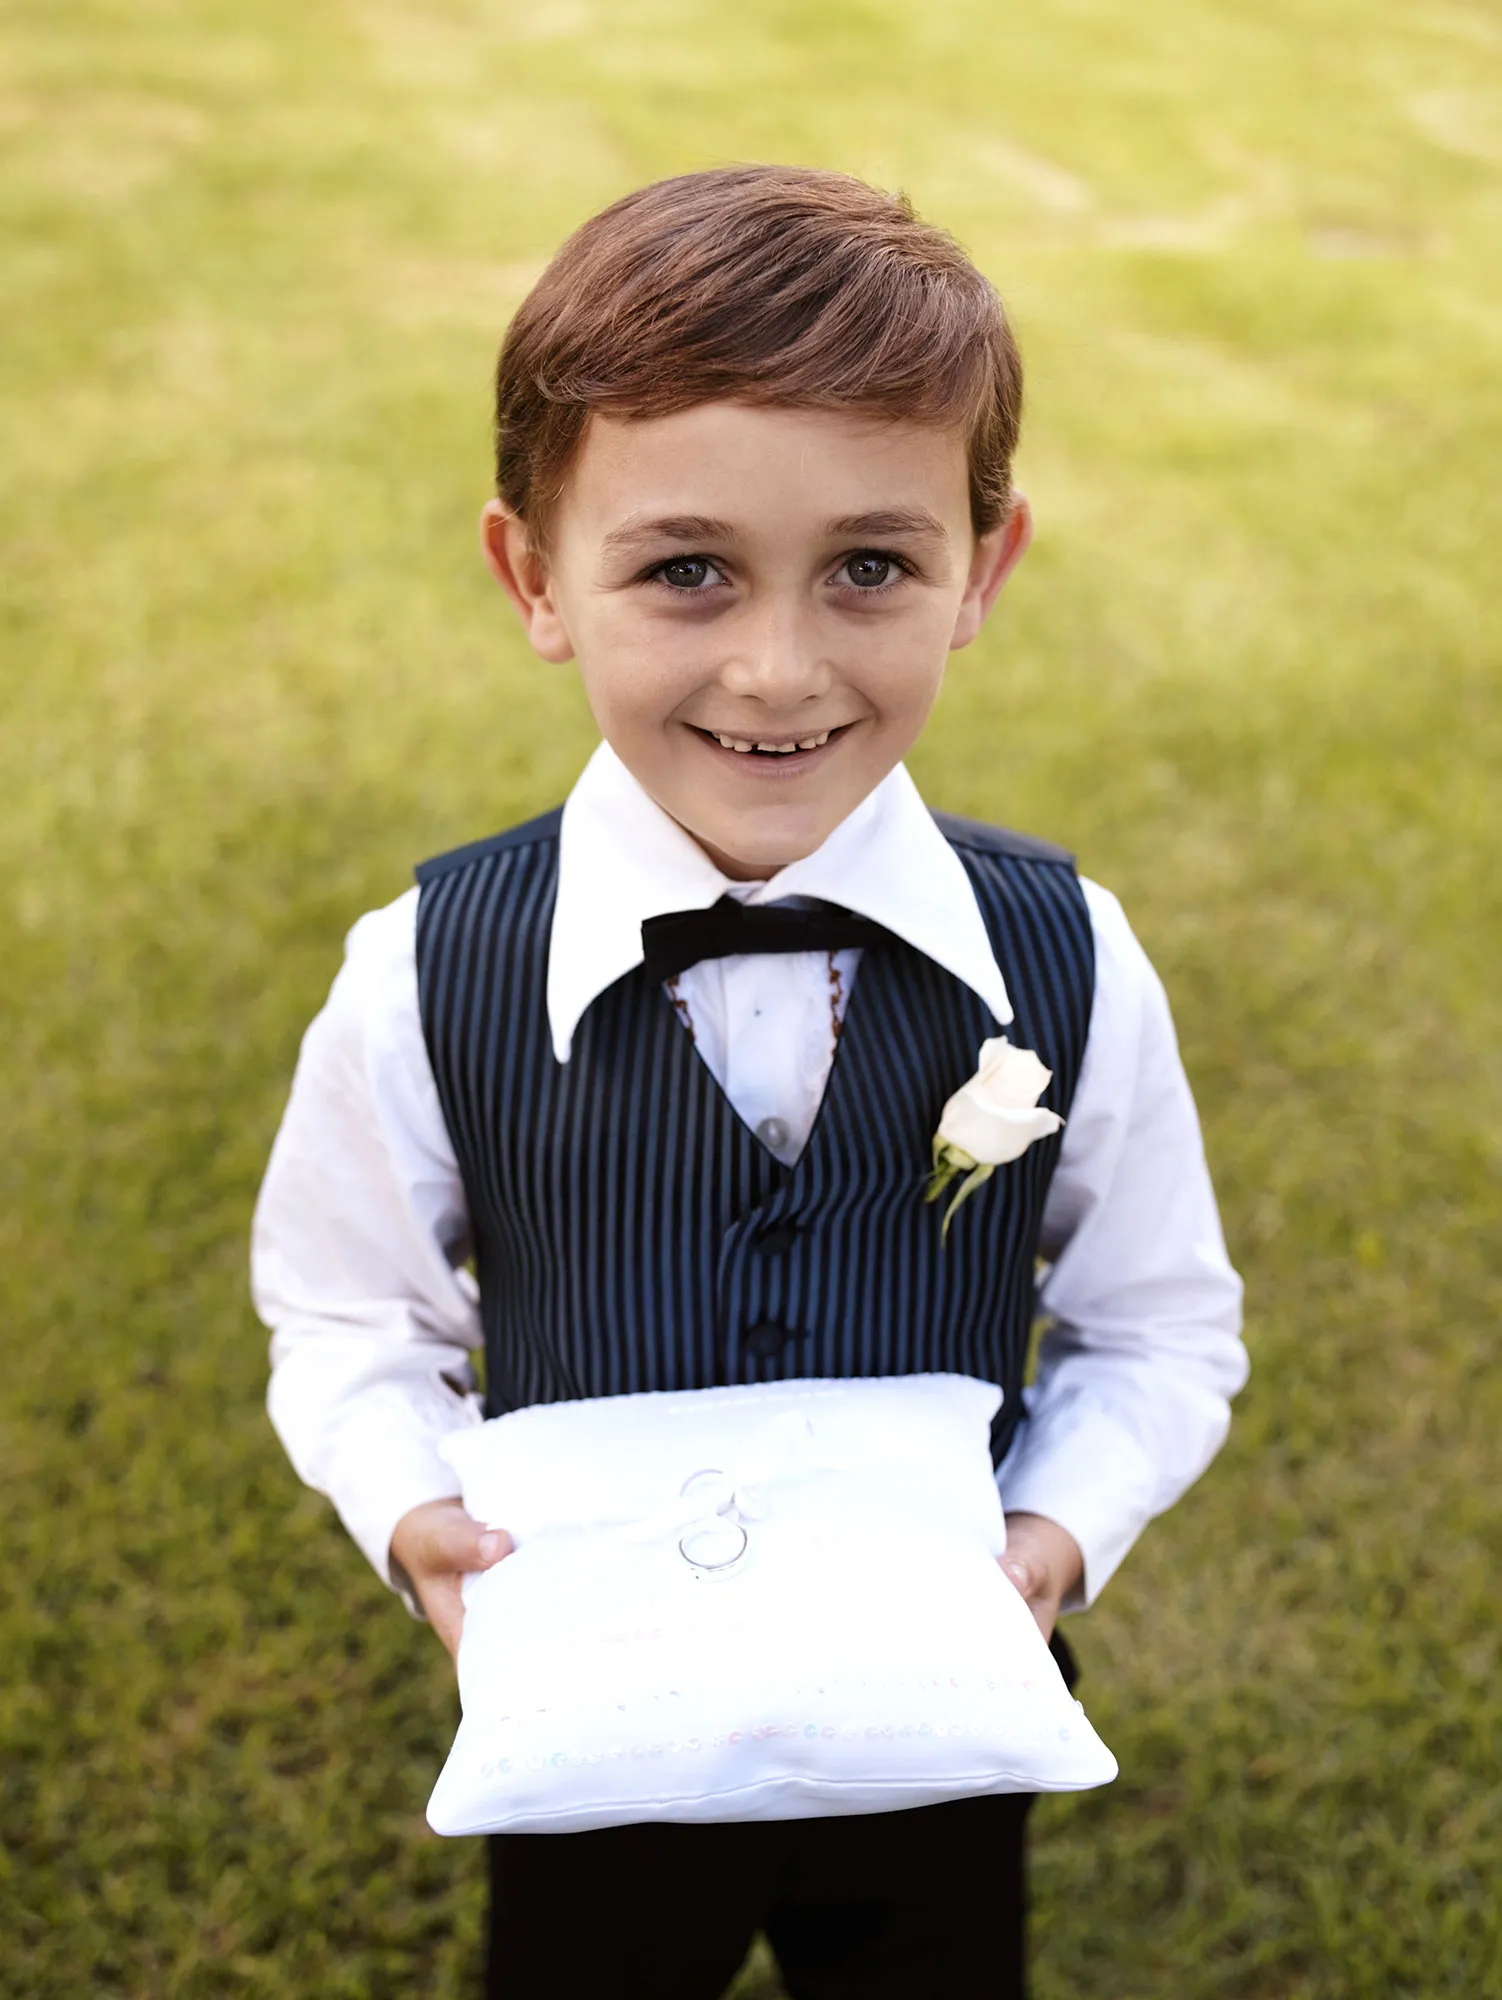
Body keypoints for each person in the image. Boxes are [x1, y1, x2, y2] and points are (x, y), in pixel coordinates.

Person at [252, 164, 1247, 1999]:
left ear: (981, 571)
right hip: (594, 1733)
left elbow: (1158, 1324)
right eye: (684, 569)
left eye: (868, 567)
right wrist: (411, 1515)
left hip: (940, 1719)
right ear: (535, 579)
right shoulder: (426, 968)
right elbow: (347, 1314)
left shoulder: (1067, 951)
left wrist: (1048, 1539)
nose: (776, 671)